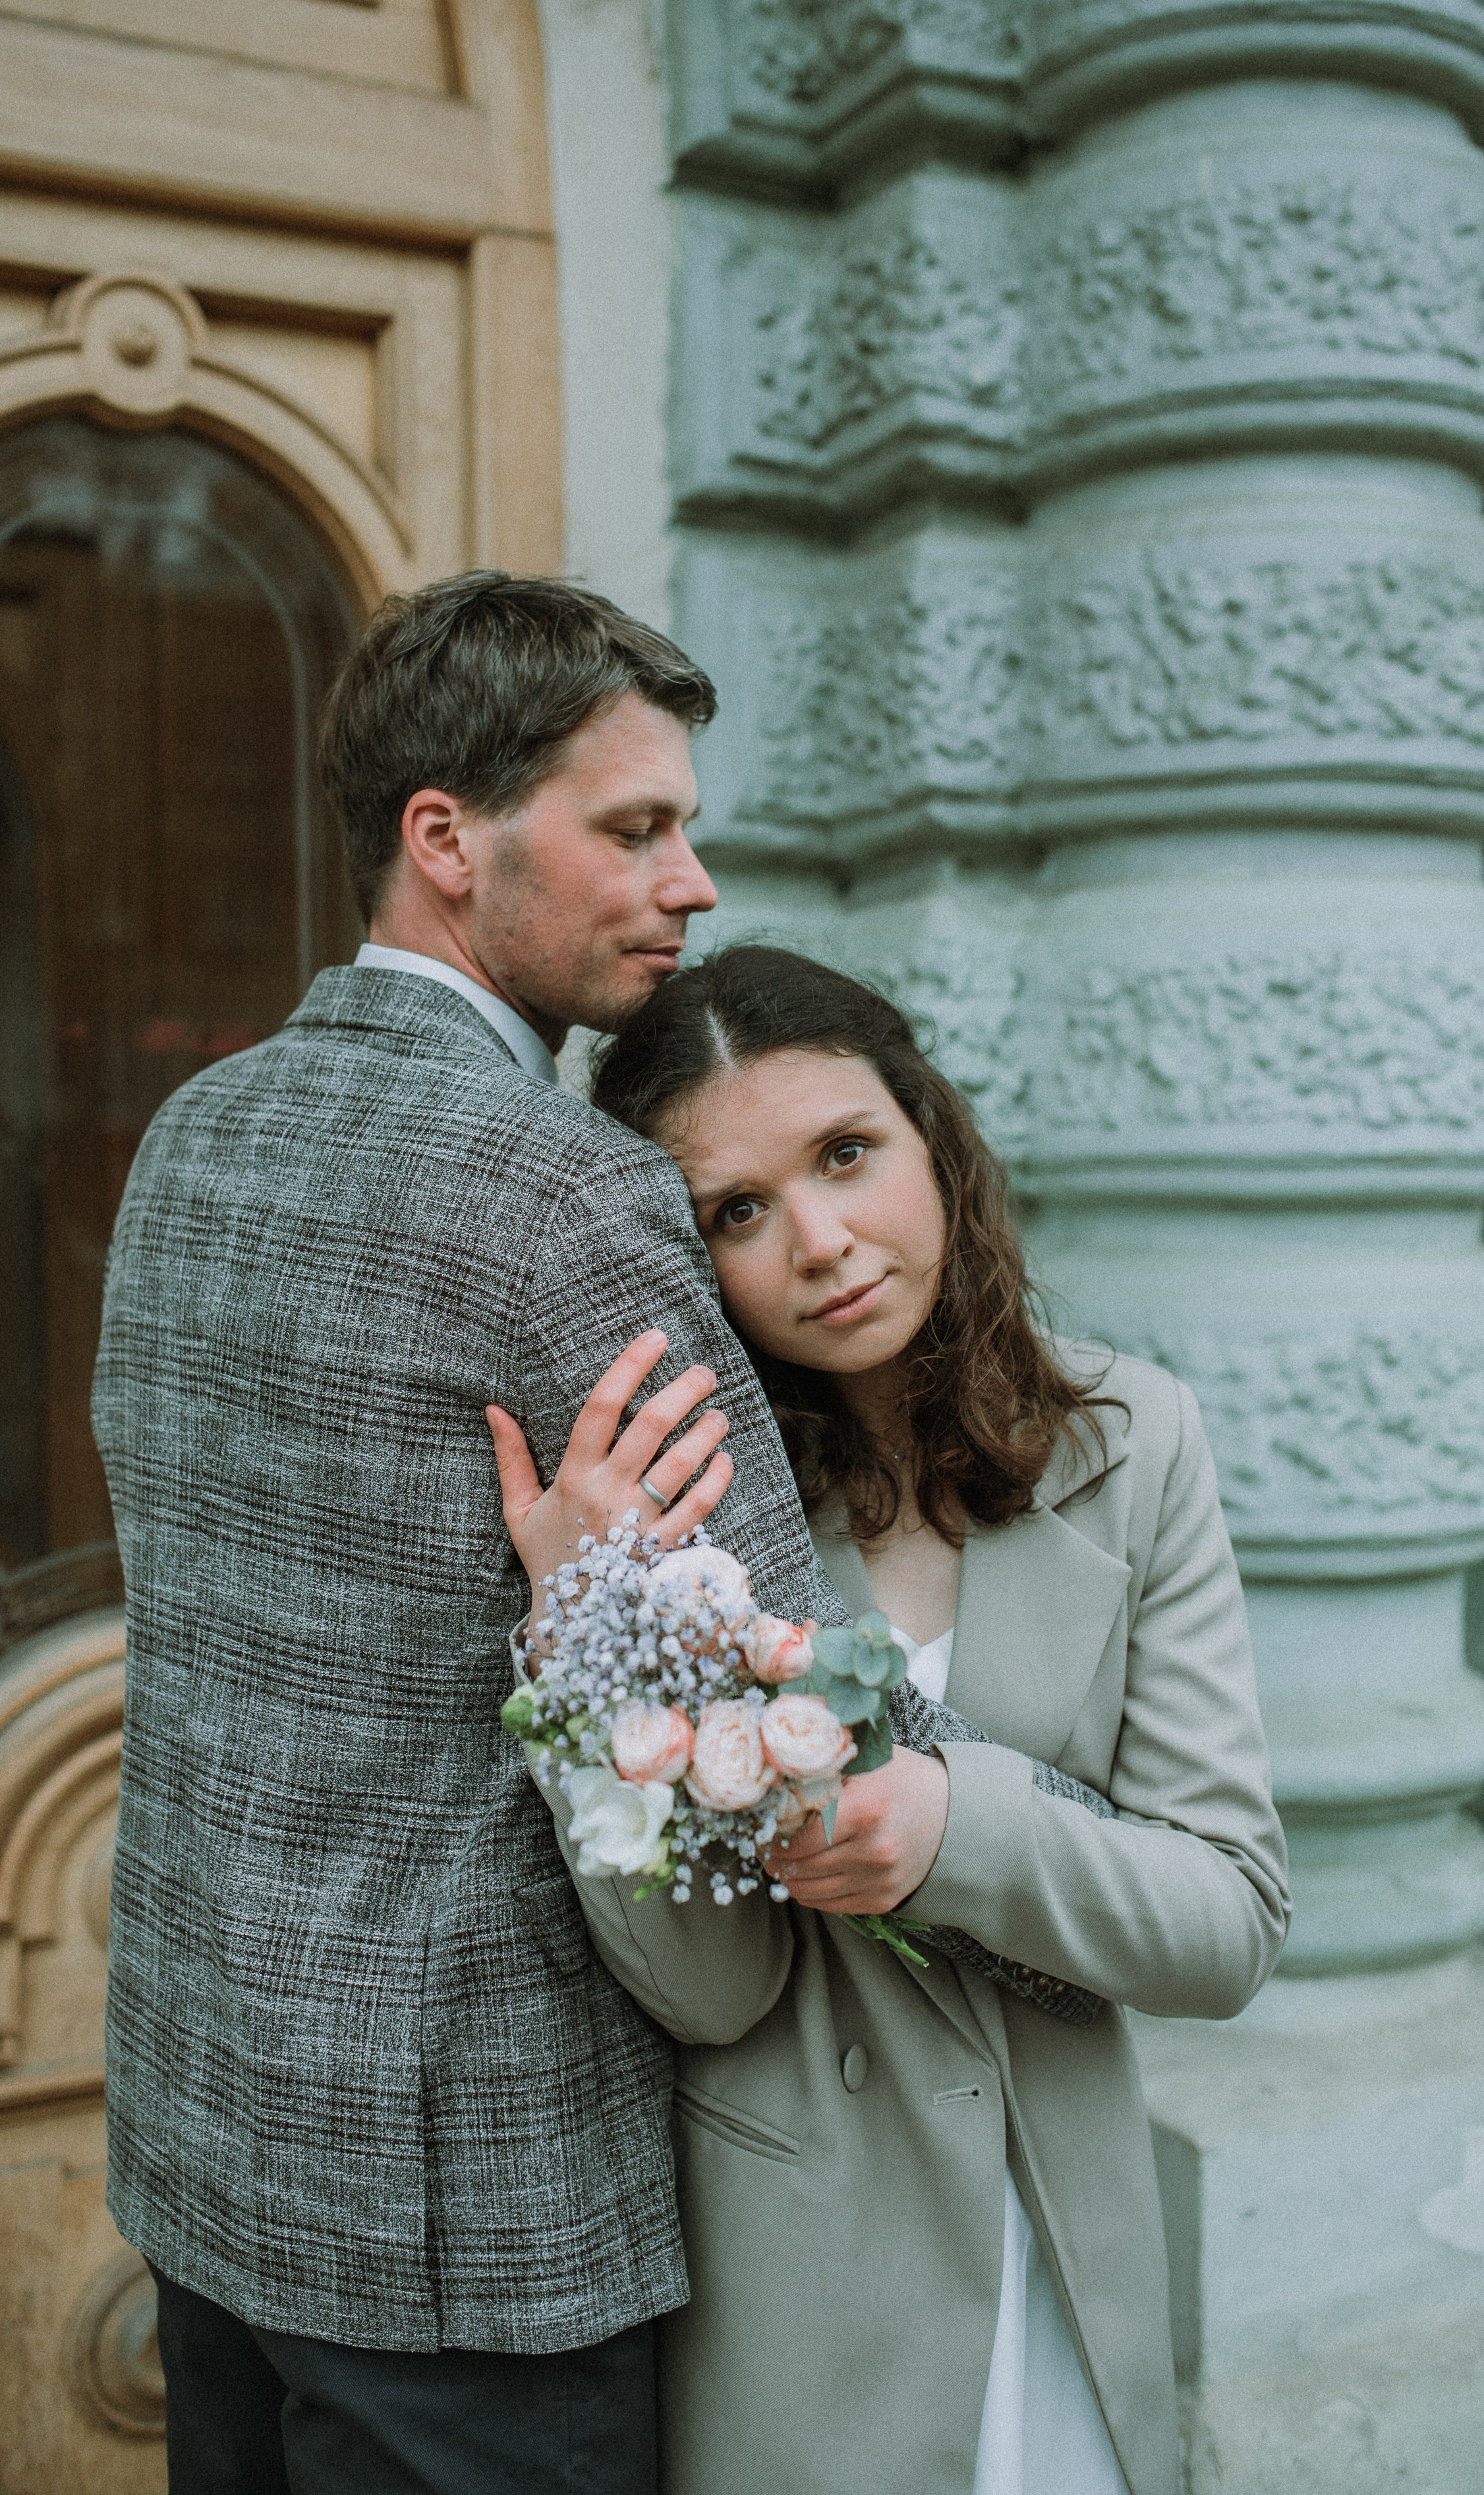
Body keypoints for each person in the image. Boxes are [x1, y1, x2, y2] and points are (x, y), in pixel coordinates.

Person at [90, 580, 853, 2494]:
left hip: (204, 2127)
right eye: (633, 828)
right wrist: (587, 1612)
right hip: (467, 2207)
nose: (692, 882)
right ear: (445, 838)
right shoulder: (570, 1191)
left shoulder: (196, 1131)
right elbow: (806, 1699)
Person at [488, 945, 1292, 2495]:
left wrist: (950, 1827)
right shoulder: (680, 1517)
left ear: (930, 1133)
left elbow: (1227, 1921)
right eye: (736, 1210)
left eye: (845, 1155)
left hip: (1062, 2245)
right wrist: (581, 1635)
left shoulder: (1128, 1448)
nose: (822, 1242)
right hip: (806, 2296)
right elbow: (703, 1993)